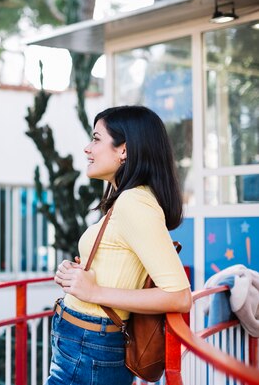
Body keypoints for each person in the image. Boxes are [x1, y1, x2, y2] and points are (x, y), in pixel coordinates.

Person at [47, 106, 192, 385]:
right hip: (81, 342)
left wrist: (95, 290)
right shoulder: (125, 199)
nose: (88, 149)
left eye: (96, 139)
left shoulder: (133, 202)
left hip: (89, 346)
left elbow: (179, 296)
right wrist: (77, 275)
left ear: (123, 150)